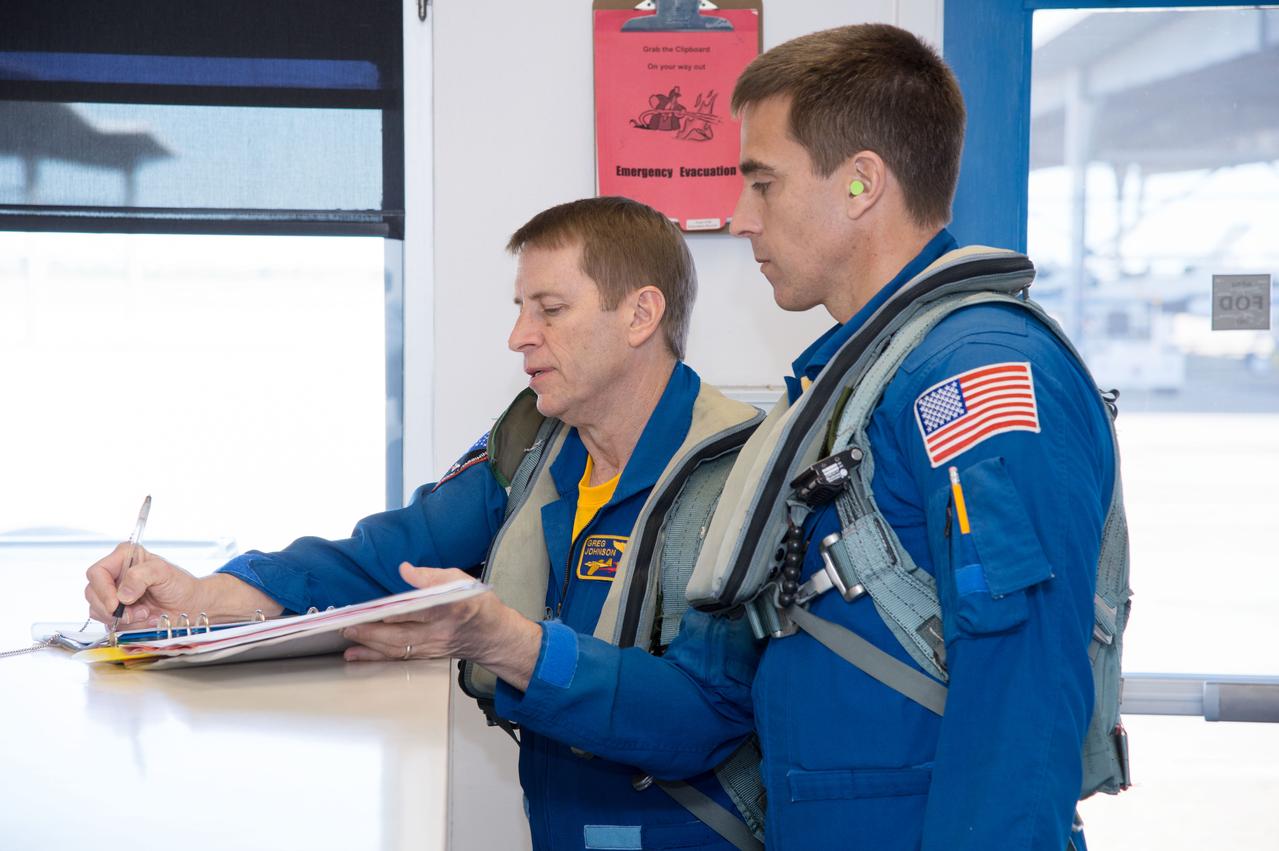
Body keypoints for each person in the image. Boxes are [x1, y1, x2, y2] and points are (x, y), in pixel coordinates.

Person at [84, 196, 765, 851]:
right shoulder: (531, 444)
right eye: (521, 309)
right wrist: (200, 596)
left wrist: (508, 644)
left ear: (641, 313)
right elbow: (383, 557)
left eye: (550, 309)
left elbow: (698, 720)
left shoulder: (738, 471)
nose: (518, 336)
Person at [707, 24, 1119, 850]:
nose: (737, 219)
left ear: (861, 184)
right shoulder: (866, 379)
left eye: (763, 184)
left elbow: (1021, 687)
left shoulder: (974, 377)